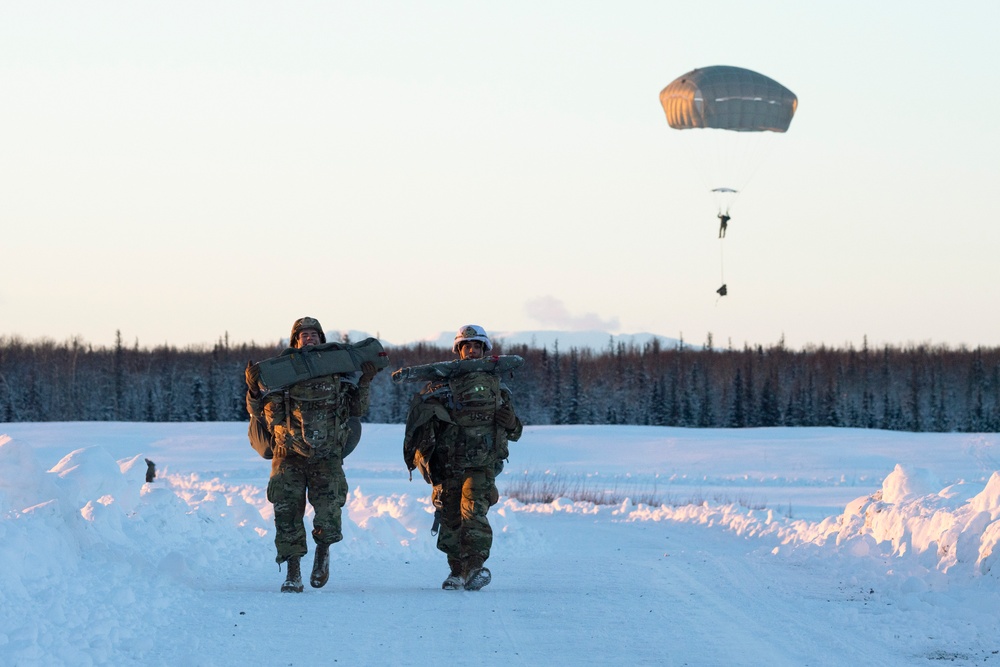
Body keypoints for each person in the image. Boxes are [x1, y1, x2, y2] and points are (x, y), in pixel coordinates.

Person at [245, 316, 379, 593]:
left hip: (326, 455)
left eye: (313, 334)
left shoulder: (337, 373)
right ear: (295, 341)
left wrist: (365, 380)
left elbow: (357, 409)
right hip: (288, 454)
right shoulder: (282, 374)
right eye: (303, 334)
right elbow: (259, 413)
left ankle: (323, 551)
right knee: (287, 513)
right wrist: (253, 389)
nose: (309, 338)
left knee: (329, 510)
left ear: (321, 339)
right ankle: (293, 572)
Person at [405, 324, 523, 591]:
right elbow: (421, 421)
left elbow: (515, 432)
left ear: (485, 350)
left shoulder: (498, 390)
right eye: (467, 346)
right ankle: (457, 571)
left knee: (474, 512)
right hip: (448, 463)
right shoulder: (440, 386)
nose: (472, 351)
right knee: (450, 517)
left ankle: (476, 566)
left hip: (482, 463)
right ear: (458, 351)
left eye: (477, 346)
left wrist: (511, 422)